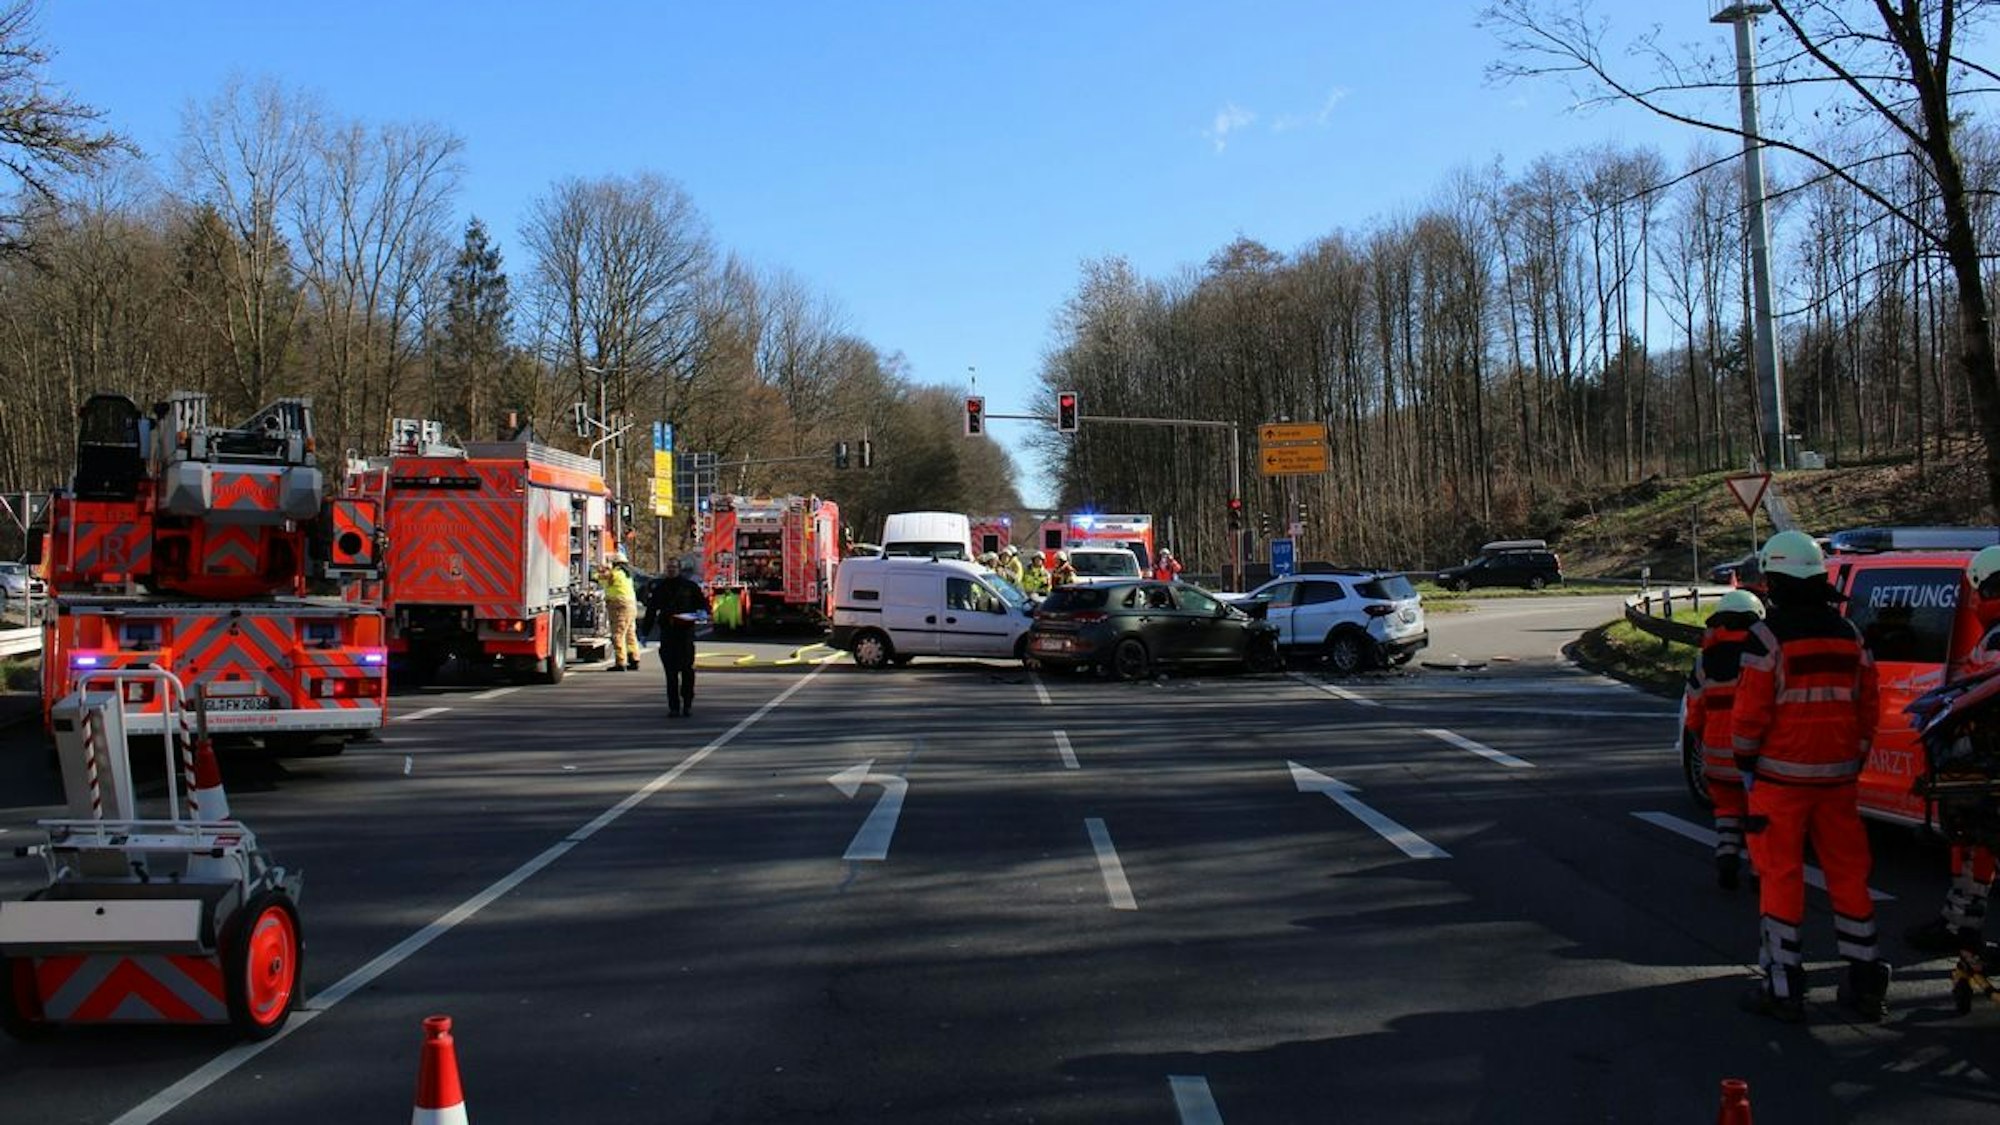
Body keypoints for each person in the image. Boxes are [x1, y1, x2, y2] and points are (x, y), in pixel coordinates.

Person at [1731, 529, 1889, 1022]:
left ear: (1774, 580)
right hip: (1838, 781)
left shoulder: (1766, 637)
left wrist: (1746, 762)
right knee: (1848, 874)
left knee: (1780, 875)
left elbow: (1748, 716)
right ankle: (1866, 979)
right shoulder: (1850, 635)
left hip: (1780, 783)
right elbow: (1869, 708)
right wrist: (1855, 756)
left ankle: (1785, 984)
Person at [1906, 545, 2000, 954]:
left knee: (1975, 837)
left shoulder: (1997, 639)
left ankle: (1962, 925)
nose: (1973, 600)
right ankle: (1961, 922)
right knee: (1973, 841)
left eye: (1976, 591)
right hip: (1985, 765)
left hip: (1988, 764)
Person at [1682, 588, 1765, 891]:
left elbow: (1694, 708)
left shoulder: (1706, 660)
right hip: (1753, 751)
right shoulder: (1761, 655)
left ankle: (1727, 854)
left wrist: (1700, 738)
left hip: (1716, 753)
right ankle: (1758, 869)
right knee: (1757, 812)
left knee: (1727, 809)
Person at [643, 555, 708, 717]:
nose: (671, 570)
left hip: (685, 634)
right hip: (668, 634)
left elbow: (702, 604)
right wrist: (645, 632)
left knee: (687, 670)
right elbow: (651, 611)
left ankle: (687, 703)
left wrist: (701, 613)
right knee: (670, 673)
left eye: (674, 567)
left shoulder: (690, 587)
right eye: (669, 568)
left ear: (679, 569)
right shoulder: (660, 588)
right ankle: (673, 707)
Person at [597, 554, 640, 671]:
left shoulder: (614, 573)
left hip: (619, 605)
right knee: (630, 633)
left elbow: (600, 579)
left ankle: (620, 662)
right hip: (631, 605)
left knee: (618, 634)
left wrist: (600, 569)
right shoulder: (627, 574)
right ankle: (634, 658)